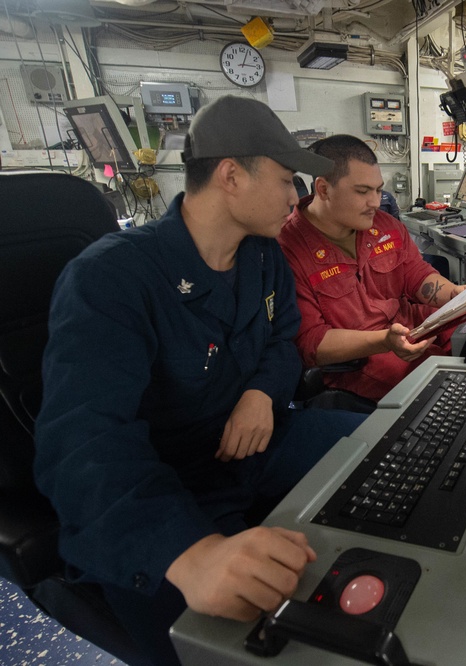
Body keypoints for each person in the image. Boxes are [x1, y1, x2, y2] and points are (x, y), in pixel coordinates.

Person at [33, 96, 366, 666]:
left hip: (257, 444)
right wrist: (192, 554)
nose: (296, 196)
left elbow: (285, 342)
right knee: (226, 648)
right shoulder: (110, 278)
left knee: (386, 445)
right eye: (287, 180)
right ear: (231, 175)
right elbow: (82, 444)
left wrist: (262, 393)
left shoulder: (262, 256)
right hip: (166, 485)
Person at [278, 134, 466, 402]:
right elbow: (311, 342)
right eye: (362, 191)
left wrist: (455, 296)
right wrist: (384, 341)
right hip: (362, 358)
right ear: (323, 189)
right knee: (447, 386)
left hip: (407, 328)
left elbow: (416, 275)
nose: (375, 203)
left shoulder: (384, 224)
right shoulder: (288, 249)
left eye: (378, 190)